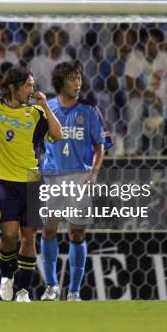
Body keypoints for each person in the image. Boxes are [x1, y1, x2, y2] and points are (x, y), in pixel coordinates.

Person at [0, 67, 62, 302]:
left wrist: (46, 105)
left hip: (32, 179)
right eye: (27, 85)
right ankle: (7, 276)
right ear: (12, 88)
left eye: (33, 85)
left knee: (29, 236)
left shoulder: (36, 113)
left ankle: (23, 290)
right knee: (9, 235)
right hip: (5, 179)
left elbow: (58, 135)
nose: (32, 90)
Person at [39, 61, 112, 301]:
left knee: (76, 235)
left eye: (79, 78)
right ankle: (51, 286)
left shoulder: (90, 111)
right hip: (52, 177)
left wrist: (93, 173)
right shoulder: (46, 108)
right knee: (49, 230)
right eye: (73, 79)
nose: (78, 83)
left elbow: (100, 147)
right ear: (61, 82)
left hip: (80, 178)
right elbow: (34, 141)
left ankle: (74, 291)